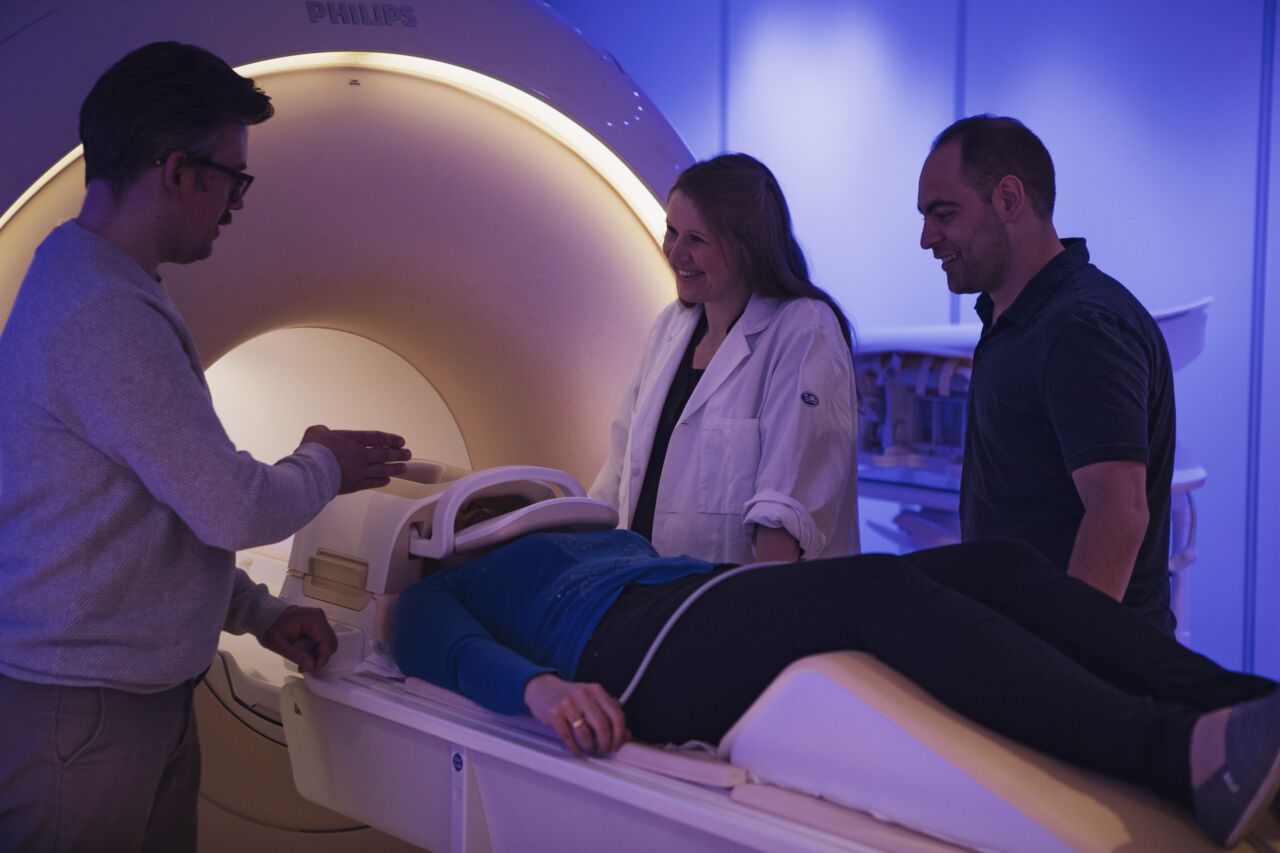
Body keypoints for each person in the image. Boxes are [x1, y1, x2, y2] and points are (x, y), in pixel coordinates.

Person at [0, 43, 411, 851]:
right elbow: (230, 504)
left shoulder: (108, 284)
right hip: (82, 714)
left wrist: (256, 612)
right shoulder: (102, 313)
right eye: (233, 176)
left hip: (128, 695)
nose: (236, 203)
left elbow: (147, 512)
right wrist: (325, 460)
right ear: (179, 171)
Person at [394, 523, 1280, 848]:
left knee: (1002, 564)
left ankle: (1233, 703)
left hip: (702, 592)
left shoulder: (597, 525)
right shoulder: (444, 582)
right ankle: (1172, 755)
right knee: (882, 591)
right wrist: (542, 689)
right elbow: (433, 640)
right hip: (634, 652)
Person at [917, 115, 1177, 632]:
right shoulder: (1012, 318)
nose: (927, 238)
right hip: (1027, 648)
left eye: (943, 214)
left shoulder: (1081, 327)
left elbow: (1118, 514)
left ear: (1009, 200)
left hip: (1092, 674)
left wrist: (1064, 657)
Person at [590, 154, 858, 565]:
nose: (676, 253)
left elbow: (784, 510)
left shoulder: (804, 329)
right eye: (672, 232)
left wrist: (751, 621)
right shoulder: (672, 326)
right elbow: (619, 470)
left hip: (736, 606)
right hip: (646, 588)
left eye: (696, 239)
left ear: (748, 246)